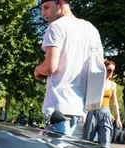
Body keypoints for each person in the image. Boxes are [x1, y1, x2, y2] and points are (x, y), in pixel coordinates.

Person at [35, 0, 103, 135]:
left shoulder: (56, 27)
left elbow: (49, 67)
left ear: (60, 4)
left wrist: (37, 70)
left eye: (47, 7)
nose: (43, 13)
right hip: (81, 111)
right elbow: (98, 68)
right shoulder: (91, 29)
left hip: (58, 108)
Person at [82, 61, 122, 148]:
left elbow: (114, 102)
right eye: (109, 70)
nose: (111, 73)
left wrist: (118, 117)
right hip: (92, 111)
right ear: (104, 69)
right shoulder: (95, 81)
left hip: (105, 113)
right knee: (87, 140)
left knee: (105, 140)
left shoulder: (112, 85)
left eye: (113, 71)